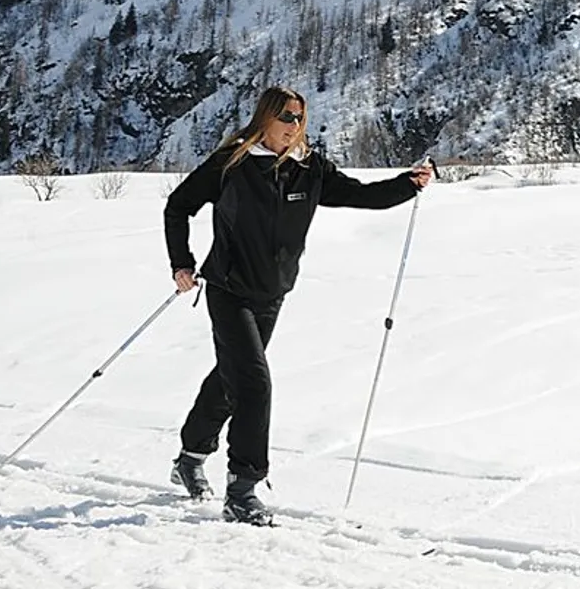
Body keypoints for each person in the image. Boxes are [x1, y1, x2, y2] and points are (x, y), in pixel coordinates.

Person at [163, 86, 434, 525]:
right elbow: (178, 206)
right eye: (287, 117)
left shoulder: (309, 168)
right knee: (254, 384)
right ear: (265, 118)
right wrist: (181, 263)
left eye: (300, 118)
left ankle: (190, 456)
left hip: (272, 294)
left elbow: (361, 195)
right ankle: (243, 488)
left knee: (232, 380)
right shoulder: (230, 164)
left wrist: (407, 185)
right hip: (228, 290)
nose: (294, 126)